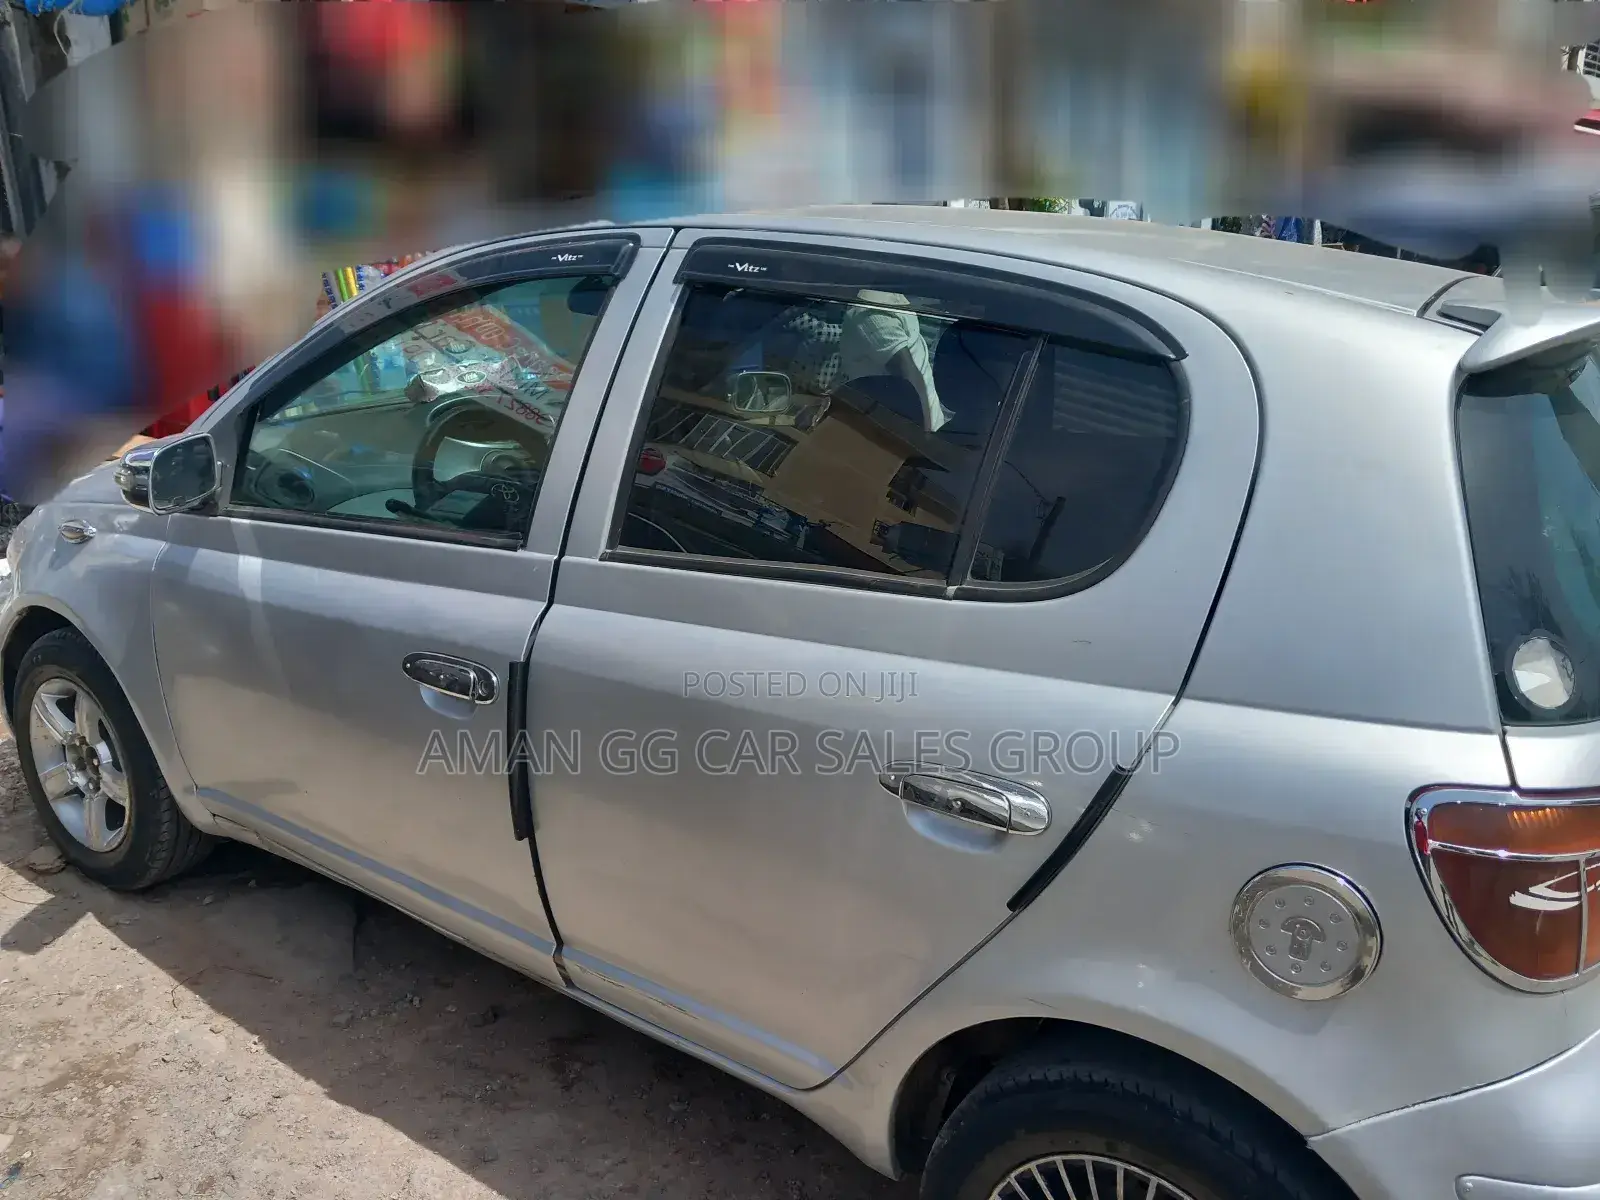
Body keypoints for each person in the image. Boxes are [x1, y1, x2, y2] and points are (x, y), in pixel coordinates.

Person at [836, 289, 953, 433]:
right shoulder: (872, 313)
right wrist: (926, 436)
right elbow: (909, 375)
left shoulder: (889, 297)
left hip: (926, 428)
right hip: (911, 434)